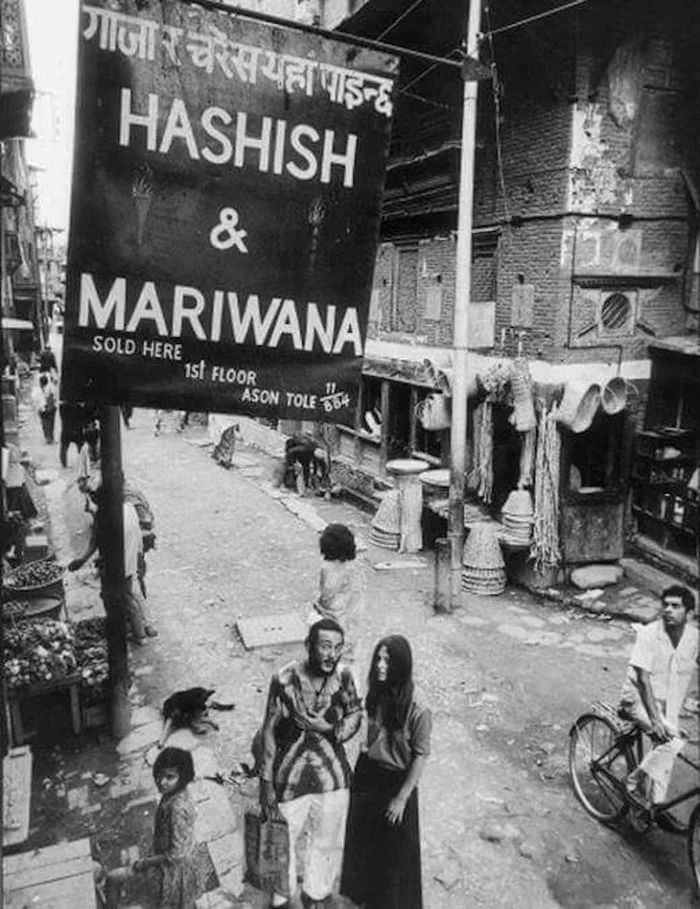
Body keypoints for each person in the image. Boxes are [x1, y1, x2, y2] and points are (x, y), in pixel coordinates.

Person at [259, 618, 362, 909]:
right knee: (279, 840)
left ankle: (316, 894)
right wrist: (265, 782)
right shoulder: (284, 679)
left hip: (331, 778)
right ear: (309, 646)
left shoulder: (345, 677)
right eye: (325, 646)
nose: (332, 654)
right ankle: (281, 897)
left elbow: (356, 714)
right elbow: (268, 730)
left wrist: (333, 729)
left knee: (326, 842)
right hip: (288, 779)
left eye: (338, 647)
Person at [341, 635, 432, 909]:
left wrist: (402, 798)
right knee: (363, 840)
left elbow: (421, 754)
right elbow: (368, 729)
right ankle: (363, 898)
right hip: (369, 773)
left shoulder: (418, 706)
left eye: (387, 661)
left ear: (401, 666)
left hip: (396, 782)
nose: (380, 666)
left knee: (394, 855)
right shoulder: (378, 691)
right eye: (378, 659)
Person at [618, 584, 698, 804]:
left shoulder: (694, 638)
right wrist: (656, 721)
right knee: (671, 740)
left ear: (689, 613)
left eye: (675, 606)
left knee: (668, 750)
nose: (668, 610)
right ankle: (632, 783)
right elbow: (643, 680)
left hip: (666, 704)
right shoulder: (649, 633)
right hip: (637, 700)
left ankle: (655, 806)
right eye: (666, 605)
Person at [67, 482, 157, 643]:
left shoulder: (104, 517)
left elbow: (96, 542)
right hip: (131, 559)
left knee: (123, 599)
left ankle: (139, 634)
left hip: (116, 565)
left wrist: (82, 560)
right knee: (133, 592)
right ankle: (147, 625)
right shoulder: (129, 508)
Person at [129, 747, 202, 909]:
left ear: (182, 777)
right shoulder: (176, 793)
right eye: (159, 775)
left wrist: (145, 863)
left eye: (170, 777)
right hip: (180, 856)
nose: (162, 782)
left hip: (174, 869)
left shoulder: (176, 808)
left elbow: (176, 854)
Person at [311, 524, 365, 659]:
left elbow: (327, 595)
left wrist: (318, 605)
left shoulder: (327, 567)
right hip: (353, 609)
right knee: (348, 645)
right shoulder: (354, 564)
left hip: (336, 612)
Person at [32, 372, 57, 443]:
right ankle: (49, 437)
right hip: (45, 408)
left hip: (47, 407)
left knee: (48, 423)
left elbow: (52, 398)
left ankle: (49, 437)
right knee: (48, 424)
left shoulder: (49, 388)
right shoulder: (40, 389)